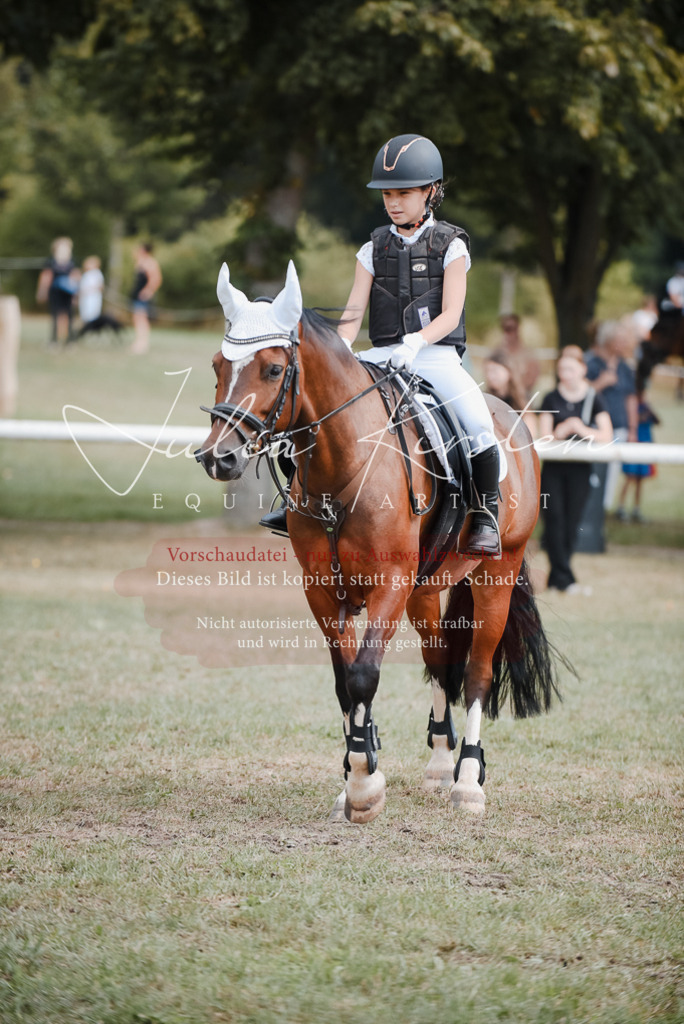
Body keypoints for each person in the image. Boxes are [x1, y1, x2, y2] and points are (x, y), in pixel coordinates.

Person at [334, 133, 501, 555]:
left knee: (480, 427)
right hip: (382, 355)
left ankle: (485, 513)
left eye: (404, 193)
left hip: (436, 356)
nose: (393, 202)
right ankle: (303, 501)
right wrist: (339, 350)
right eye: (388, 193)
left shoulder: (452, 245)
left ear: (431, 191)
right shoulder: (372, 248)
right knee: (322, 409)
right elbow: (354, 312)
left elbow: (450, 314)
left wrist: (417, 342)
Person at [538, 346, 613, 593]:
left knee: (572, 522)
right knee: (554, 519)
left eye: (570, 369)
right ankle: (565, 579)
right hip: (553, 469)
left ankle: (559, 577)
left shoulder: (594, 398)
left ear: (582, 369)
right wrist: (559, 432)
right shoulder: (550, 398)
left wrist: (581, 428)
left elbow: (606, 435)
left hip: (580, 469)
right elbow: (544, 436)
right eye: (561, 369)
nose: (565, 374)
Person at [585, 320, 638, 511]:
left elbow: (631, 398)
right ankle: (589, 506)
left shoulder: (625, 367)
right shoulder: (590, 362)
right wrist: (602, 382)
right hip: (595, 427)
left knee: (613, 471)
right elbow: (581, 391)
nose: (624, 344)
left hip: (619, 425)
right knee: (592, 469)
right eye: (620, 340)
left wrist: (632, 428)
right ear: (608, 341)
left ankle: (603, 509)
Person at [615, 390, 660, 523]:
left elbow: (657, 421)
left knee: (640, 480)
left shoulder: (647, 408)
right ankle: (621, 507)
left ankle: (636, 508)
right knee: (630, 478)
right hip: (634, 446)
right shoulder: (631, 408)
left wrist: (649, 410)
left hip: (645, 447)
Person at [36, 237, 79, 345]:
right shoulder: (51, 262)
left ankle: (69, 341)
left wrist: (76, 294)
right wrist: (42, 291)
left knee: (69, 316)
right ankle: (54, 340)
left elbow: (75, 277)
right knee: (55, 316)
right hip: (55, 293)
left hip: (68, 293)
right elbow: (46, 277)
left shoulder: (72, 262)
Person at [483, 350, 536, 435]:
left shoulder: (522, 398)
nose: (490, 376)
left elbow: (530, 431)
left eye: (495, 371)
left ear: (508, 371)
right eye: (488, 371)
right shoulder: (485, 399)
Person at [130, 243, 162, 354]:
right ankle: (138, 341)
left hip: (142, 296)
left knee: (142, 319)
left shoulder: (150, 262)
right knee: (137, 318)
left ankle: (143, 344)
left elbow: (156, 278)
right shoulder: (140, 262)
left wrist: (148, 291)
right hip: (136, 295)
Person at [498, 313, 540, 397]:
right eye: (506, 328)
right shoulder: (497, 352)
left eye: (511, 328)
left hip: (522, 397)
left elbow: (532, 378)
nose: (509, 332)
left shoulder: (528, 354)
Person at [78, 255, 105, 327]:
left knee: (92, 313)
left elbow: (100, 286)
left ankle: (92, 328)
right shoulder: (86, 274)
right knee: (85, 314)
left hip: (93, 297)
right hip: (85, 297)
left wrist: (90, 289)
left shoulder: (97, 273)